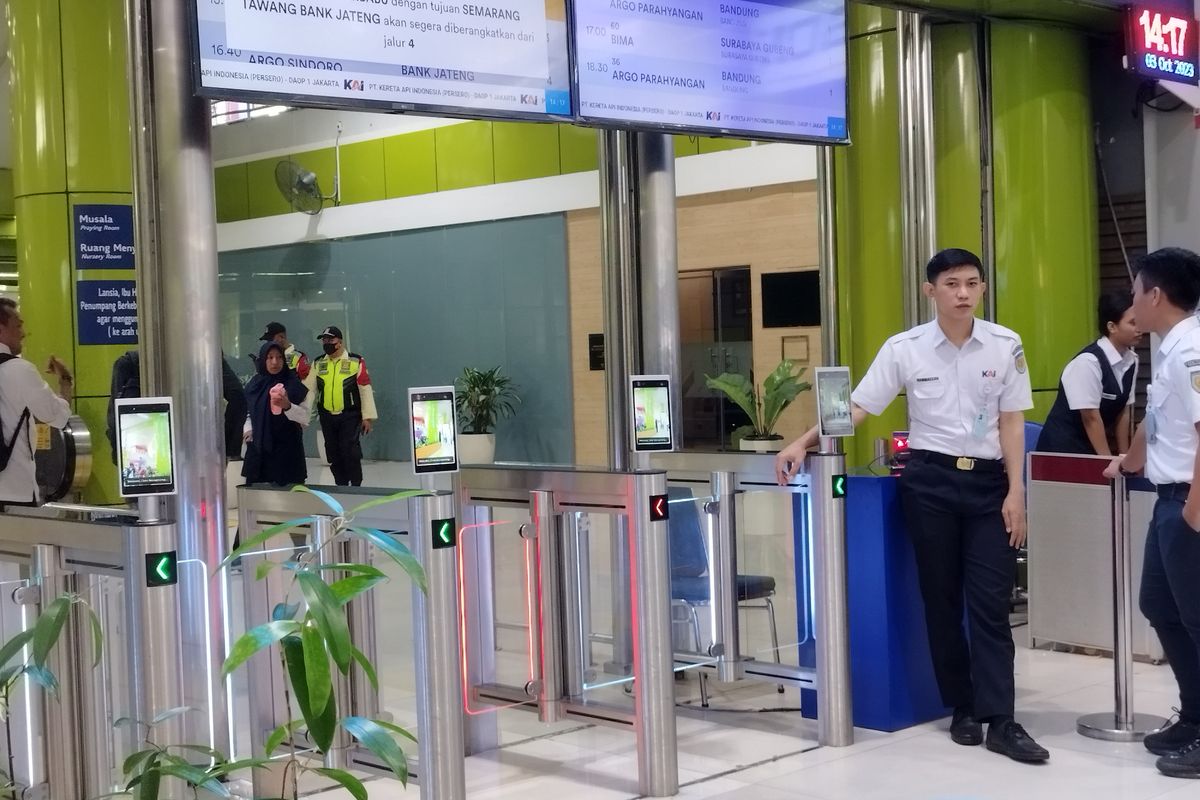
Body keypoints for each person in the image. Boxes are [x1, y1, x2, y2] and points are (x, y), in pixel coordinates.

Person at [775, 248, 1049, 763]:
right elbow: (858, 405)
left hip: (990, 484)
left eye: (972, 282)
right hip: (929, 482)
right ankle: (962, 707)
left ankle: (1003, 720)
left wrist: (1018, 492)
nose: (963, 292)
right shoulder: (905, 348)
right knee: (941, 600)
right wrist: (802, 441)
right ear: (931, 291)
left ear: (983, 288)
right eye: (951, 284)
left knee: (991, 603)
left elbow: (1013, 422)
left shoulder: (1005, 345)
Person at [1103, 247, 1200, 779]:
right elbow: (1158, 423)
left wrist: (1192, 514)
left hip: (1188, 502)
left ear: (1155, 294)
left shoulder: (1191, 353)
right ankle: (1195, 716)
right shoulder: (1171, 350)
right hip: (1168, 499)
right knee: (1160, 606)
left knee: (1198, 618)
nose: (1133, 297)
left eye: (1136, 288)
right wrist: (1129, 461)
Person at [1036, 291, 1141, 455]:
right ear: (1112, 326)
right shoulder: (1088, 362)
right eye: (1133, 323)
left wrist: (1124, 458)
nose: (1140, 328)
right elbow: (1091, 418)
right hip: (1061, 449)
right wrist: (1107, 462)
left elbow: (1124, 412)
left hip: (1091, 447)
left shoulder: (1131, 360)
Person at [105, 350, 248, 463]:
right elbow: (238, 397)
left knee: (145, 495)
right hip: (194, 452)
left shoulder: (130, 365)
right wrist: (226, 449)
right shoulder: (206, 355)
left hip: (147, 453)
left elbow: (117, 419)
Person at [0, 299, 73, 506]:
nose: (23, 333)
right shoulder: (20, 370)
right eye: (18, 325)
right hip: (14, 493)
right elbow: (58, 417)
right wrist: (65, 380)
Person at [303, 325, 377, 486]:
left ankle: (356, 485)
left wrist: (368, 417)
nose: (326, 343)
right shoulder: (318, 363)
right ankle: (341, 485)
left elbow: (365, 389)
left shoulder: (356, 361)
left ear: (340, 342)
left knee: (350, 451)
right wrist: (302, 416)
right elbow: (309, 391)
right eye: (324, 340)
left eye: (330, 339)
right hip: (327, 416)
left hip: (350, 415)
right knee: (333, 453)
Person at [242, 340, 310, 486]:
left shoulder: (293, 384)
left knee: (290, 499)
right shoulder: (255, 384)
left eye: (279, 357)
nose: (275, 362)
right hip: (259, 451)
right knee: (257, 499)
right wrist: (248, 429)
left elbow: (305, 417)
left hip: (287, 451)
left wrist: (288, 406)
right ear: (263, 360)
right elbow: (248, 412)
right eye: (270, 357)